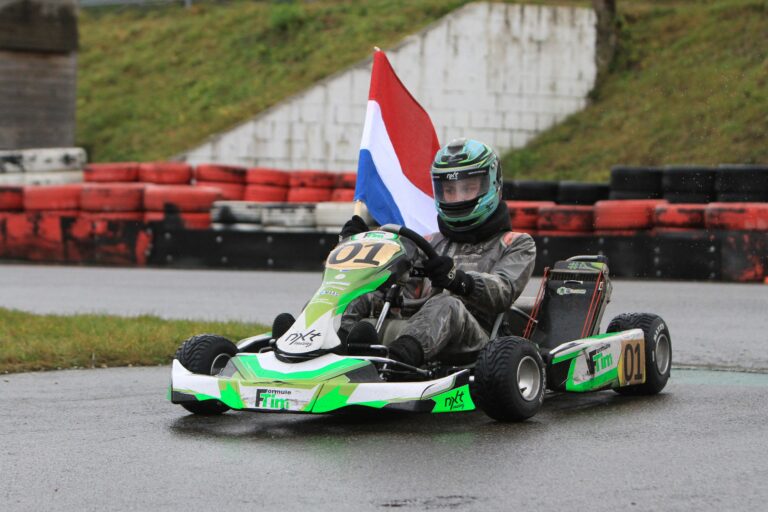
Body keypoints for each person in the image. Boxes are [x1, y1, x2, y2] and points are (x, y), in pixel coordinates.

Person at [338, 138, 536, 367]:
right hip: (417, 328)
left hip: (479, 343)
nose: (458, 198)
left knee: (447, 304)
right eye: (449, 190)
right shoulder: (428, 242)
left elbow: (503, 291)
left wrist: (458, 280)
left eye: (468, 188)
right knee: (359, 297)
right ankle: (326, 349)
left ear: (492, 185)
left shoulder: (516, 243)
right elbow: (395, 287)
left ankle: (396, 365)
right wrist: (355, 247)